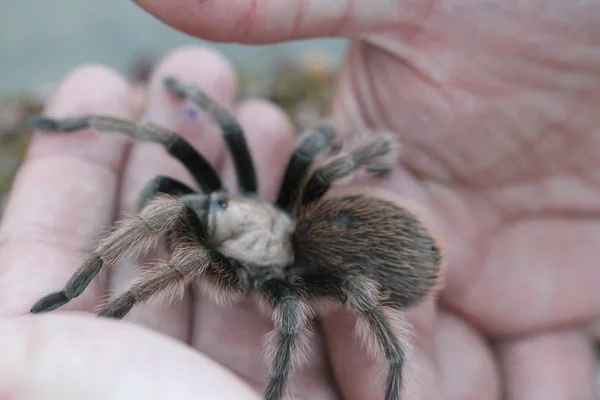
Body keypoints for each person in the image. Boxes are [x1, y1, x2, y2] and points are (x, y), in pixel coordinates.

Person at [0, 0, 598, 398]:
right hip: (304, 228)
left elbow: (231, 272)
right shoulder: (226, 203)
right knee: (189, 144)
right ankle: (77, 159)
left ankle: (98, 305)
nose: (207, 203)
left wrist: (112, 305)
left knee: (241, 258)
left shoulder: (243, 266)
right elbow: (222, 145)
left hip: (321, 256)